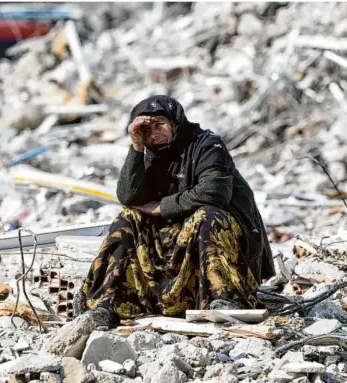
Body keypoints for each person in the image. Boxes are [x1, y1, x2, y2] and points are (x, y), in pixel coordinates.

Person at [74, 95, 274, 326]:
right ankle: (107, 303)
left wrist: (162, 207)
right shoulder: (148, 153)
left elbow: (214, 193)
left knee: (207, 216)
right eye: (146, 129)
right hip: (173, 243)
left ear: (175, 123)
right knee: (127, 219)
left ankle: (224, 298)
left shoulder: (207, 145)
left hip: (219, 243)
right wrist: (136, 148)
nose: (154, 133)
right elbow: (128, 197)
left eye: (160, 125)